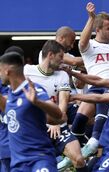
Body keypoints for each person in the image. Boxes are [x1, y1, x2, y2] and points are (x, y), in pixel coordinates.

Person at [70, 1, 109, 153]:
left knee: (99, 123)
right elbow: (82, 43)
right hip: (95, 86)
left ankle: (94, 142)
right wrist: (91, 18)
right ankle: (77, 155)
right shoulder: (90, 46)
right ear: (97, 30)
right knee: (78, 123)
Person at [24, 40, 87, 171]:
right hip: (35, 128)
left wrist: (56, 123)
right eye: (60, 57)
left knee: (79, 159)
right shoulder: (27, 71)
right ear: (50, 55)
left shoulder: (62, 75)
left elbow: (63, 101)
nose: (62, 61)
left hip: (58, 126)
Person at [0, 52, 62, 171]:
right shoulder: (11, 94)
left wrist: (38, 102)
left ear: (7, 71)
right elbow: (6, 111)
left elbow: (59, 114)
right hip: (18, 164)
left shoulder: (33, 89)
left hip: (39, 159)